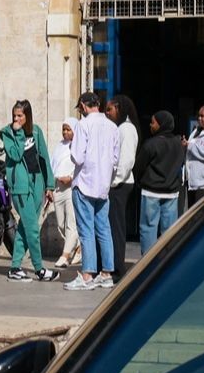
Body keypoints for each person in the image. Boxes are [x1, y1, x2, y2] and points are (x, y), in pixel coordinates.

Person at [65, 91, 118, 291]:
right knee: (104, 229)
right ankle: (106, 273)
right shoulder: (112, 127)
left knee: (86, 231)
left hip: (85, 183)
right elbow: (115, 159)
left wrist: (71, 147)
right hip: (103, 185)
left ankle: (87, 274)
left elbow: (77, 157)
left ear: (84, 106)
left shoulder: (83, 125)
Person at [0, 100, 56, 282]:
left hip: (37, 183)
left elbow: (44, 158)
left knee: (24, 228)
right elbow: (15, 155)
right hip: (20, 186)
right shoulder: (8, 133)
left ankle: (15, 268)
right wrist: (18, 133)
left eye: (20, 116)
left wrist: (49, 185)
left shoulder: (37, 131)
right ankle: (39, 269)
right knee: (32, 228)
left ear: (27, 116)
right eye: (14, 115)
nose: (16, 118)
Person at [136, 109, 185, 251]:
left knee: (148, 228)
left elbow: (139, 166)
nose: (150, 125)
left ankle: (147, 263)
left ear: (161, 124)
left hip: (151, 191)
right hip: (171, 193)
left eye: (153, 122)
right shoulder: (178, 144)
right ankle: (167, 262)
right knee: (169, 231)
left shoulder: (151, 144)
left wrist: (140, 181)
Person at [105, 95, 139, 273]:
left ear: (119, 108)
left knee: (116, 227)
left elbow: (126, 160)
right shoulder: (120, 128)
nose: (107, 113)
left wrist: (113, 182)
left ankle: (117, 267)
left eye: (110, 109)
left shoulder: (126, 129)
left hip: (120, 184)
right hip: (117, 183)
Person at [49, 121, 80, 269]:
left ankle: (65, 256)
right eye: (64, 129)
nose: (65, 132)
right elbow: (52, 164)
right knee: (60, 223)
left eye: (68, 129)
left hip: (71, 187)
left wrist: (71, 178)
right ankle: (79, 246)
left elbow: (82, 165)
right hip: (58, 187)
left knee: (71, 223)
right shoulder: (59, 146)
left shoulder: (79, 145)